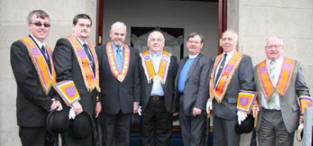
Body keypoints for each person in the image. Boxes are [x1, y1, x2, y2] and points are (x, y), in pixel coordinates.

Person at [10, 10, 63, 146]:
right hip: (32, 118)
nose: (42, 27)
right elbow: (26, 81)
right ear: (29, 25)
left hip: (50, 118)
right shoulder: (20, 47)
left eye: (46, 25)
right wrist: (48, 103)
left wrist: (56, 99)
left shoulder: (49, 51)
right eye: (38, 23)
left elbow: (54, 80)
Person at [253, 36, 312, 146]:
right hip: (265, 115)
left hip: (286, 116)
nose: (273, 49)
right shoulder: (257, 68)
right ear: (265, 49)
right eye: (270, 46)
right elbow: (254, 91)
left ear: (282, 48)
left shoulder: (293, 65)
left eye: (276, 46)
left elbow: (303, 90)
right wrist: (253, 104)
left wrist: (305, 113)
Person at [53, 14, 101, 146]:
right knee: (74, 141)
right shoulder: (65, 44)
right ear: (74, 27)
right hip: (75, 104)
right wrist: (73, 101)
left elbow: (94, 78)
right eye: (81, 25)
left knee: (88, 140)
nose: (85, 28)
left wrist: (97, 100)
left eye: (87, 26)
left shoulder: (90, 48)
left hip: (90, 103)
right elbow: (63, 75)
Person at [206, 30, 255, 146]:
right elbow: (214, 81)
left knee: (231, 143)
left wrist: (243, 109)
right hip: (217, 110)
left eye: (230, 39)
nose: (226, 42)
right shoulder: (218, 58)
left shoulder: (243, 59)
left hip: (232, 111)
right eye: (224, 39)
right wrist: (210, 99)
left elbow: (247, 84)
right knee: (218, 142)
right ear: (220, 42)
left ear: (236, 42)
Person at [96, 21, 140, 146]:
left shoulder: (134, 52)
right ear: (110, 34)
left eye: (122, 34)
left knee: (124, 139)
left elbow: (136, 79)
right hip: (106, 103)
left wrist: (136, 101)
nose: (119, 37)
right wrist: (97, 100)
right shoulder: (99, 51)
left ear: (125, 35)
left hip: (127, 104)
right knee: (107, 138)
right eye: (116, 34)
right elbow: (96, 78)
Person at [139, 30, 178, 146]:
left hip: (165, 103)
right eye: (153, 40)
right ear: (148, 43)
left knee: (164, 136)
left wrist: (175, 105)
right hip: (146, 103)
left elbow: (174, 84)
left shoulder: (172, 59)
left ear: (163, 43)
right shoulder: (140, 58)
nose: (156, 42)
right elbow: (136, 82)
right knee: (146, 136)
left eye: (158, 40)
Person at [176, 32, 213, 146]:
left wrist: (199, 105)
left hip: (196, 103)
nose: (193, 44)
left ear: (201, 45)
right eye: (191, 42)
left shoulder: (206, 61)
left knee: (196, 137)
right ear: (187, 44)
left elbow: (204, 85)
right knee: (185, 135)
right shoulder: (182, 61)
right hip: (182, 102)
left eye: (196, 42)